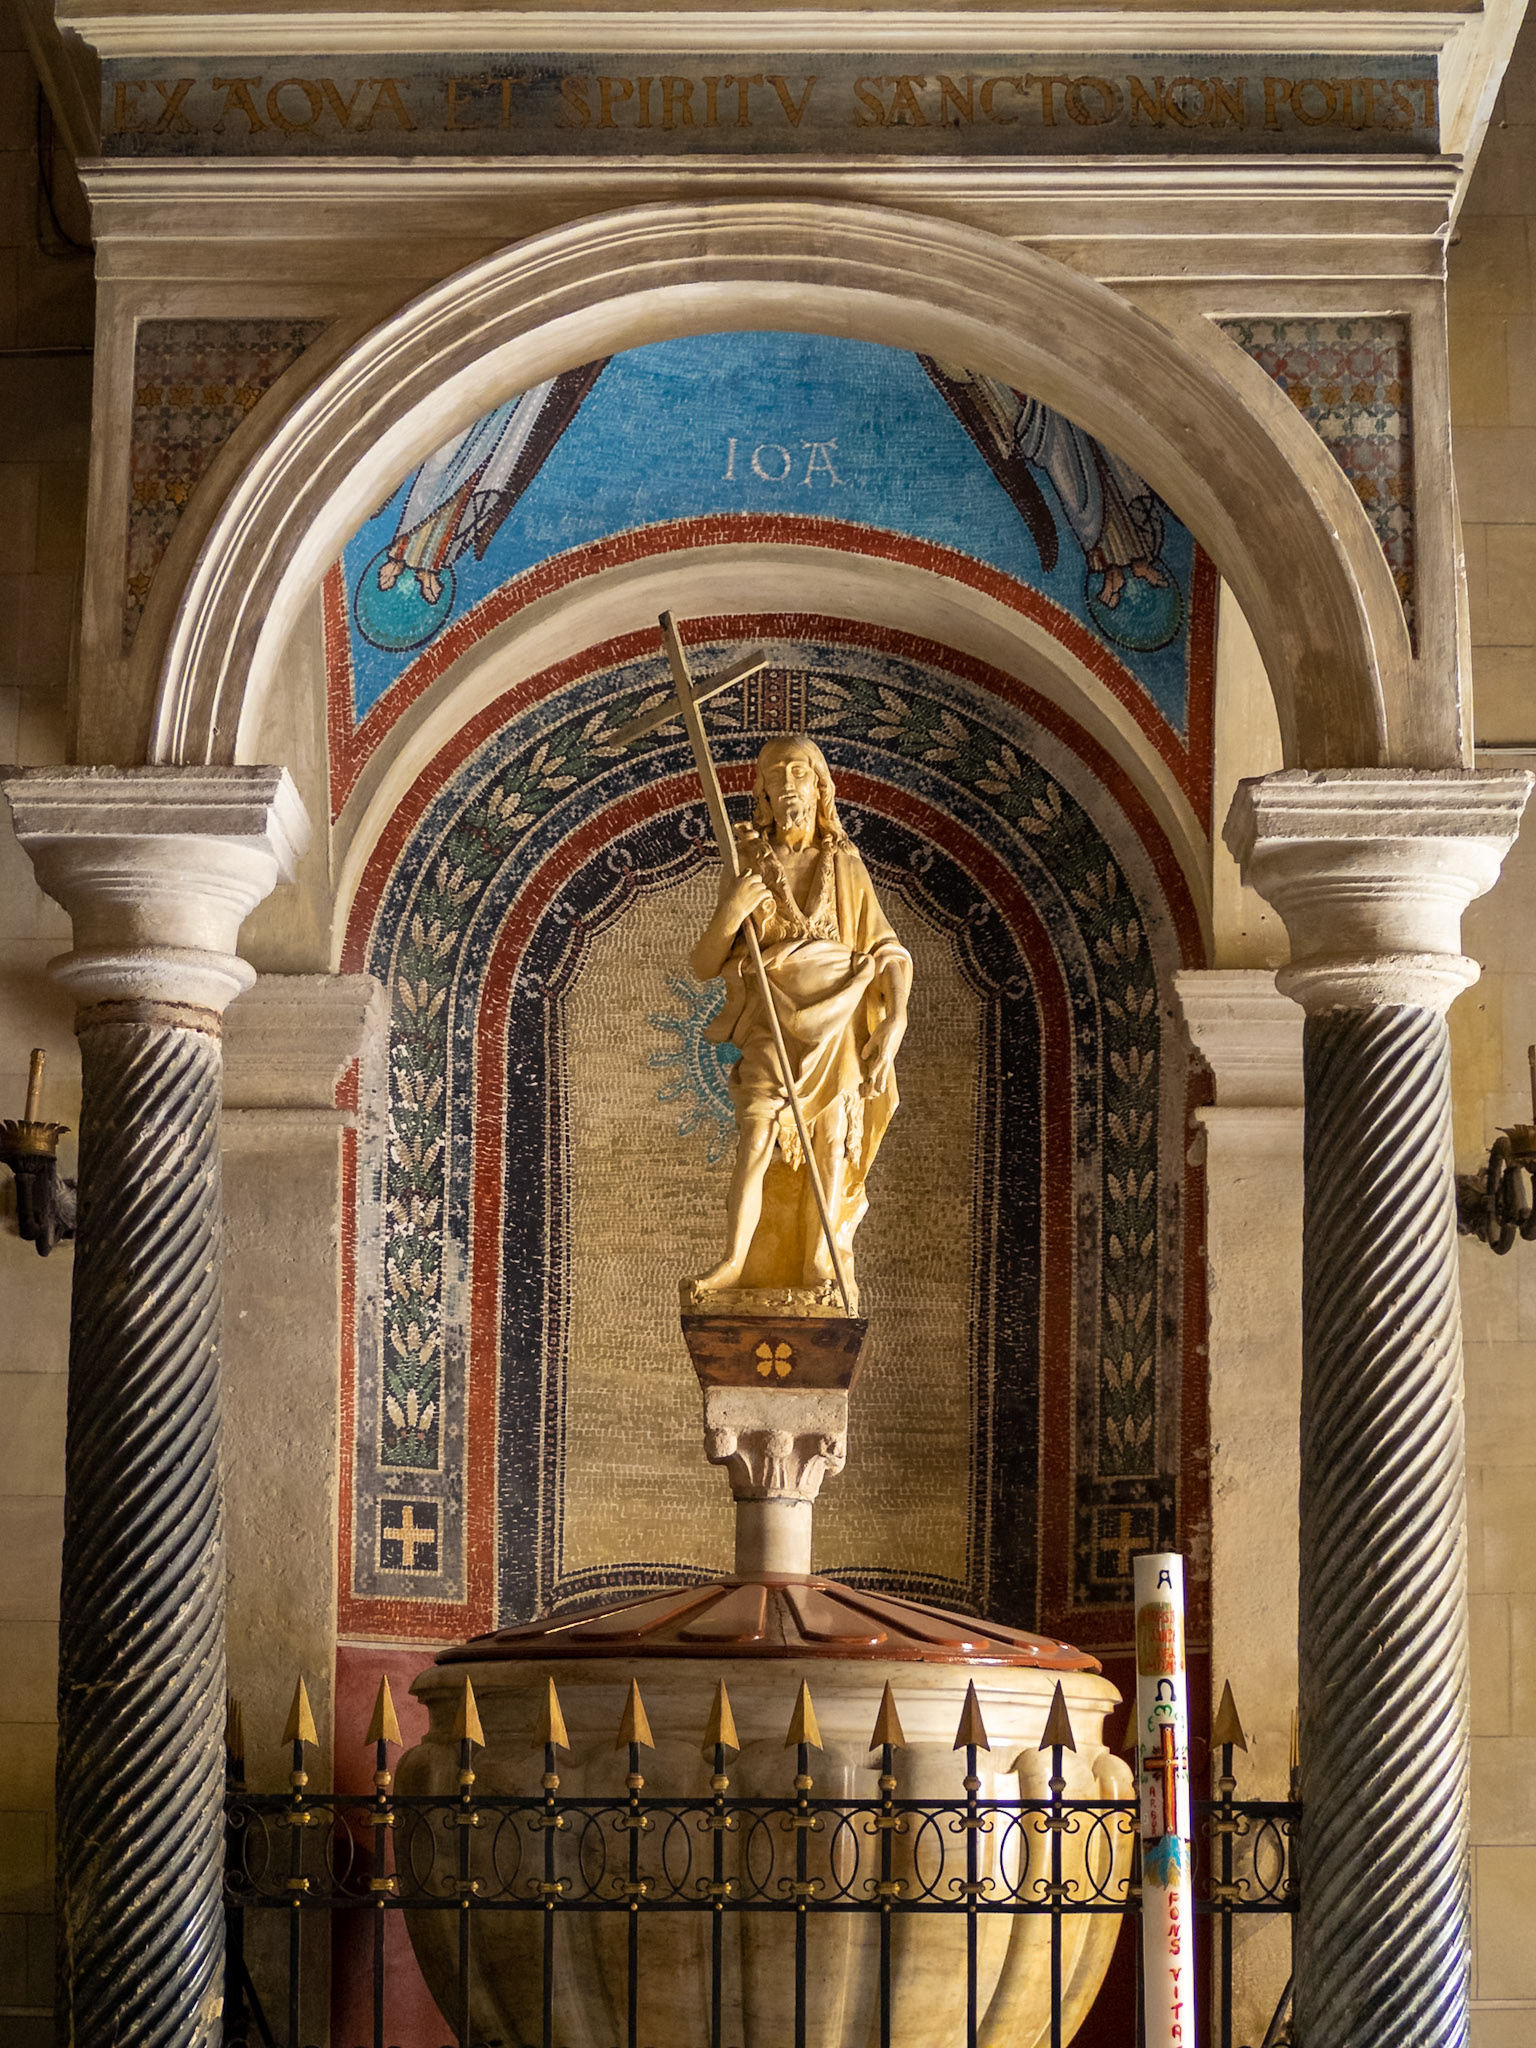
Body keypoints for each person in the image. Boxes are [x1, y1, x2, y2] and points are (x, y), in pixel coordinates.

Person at [688, 737, 912, 1306]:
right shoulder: (748, 864)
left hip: (839, 1018)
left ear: (819, 785)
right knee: (756, 1137)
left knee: (832, 1141)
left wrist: (895, 1018)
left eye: (798, 772)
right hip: (772, 1019)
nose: (788, 785)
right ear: (762, 792)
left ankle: (820, 1260)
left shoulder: (845, 866)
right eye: (775, 775)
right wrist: (733, 911)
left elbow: (887, 951)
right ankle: (734, 1262)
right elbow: (704, 964)